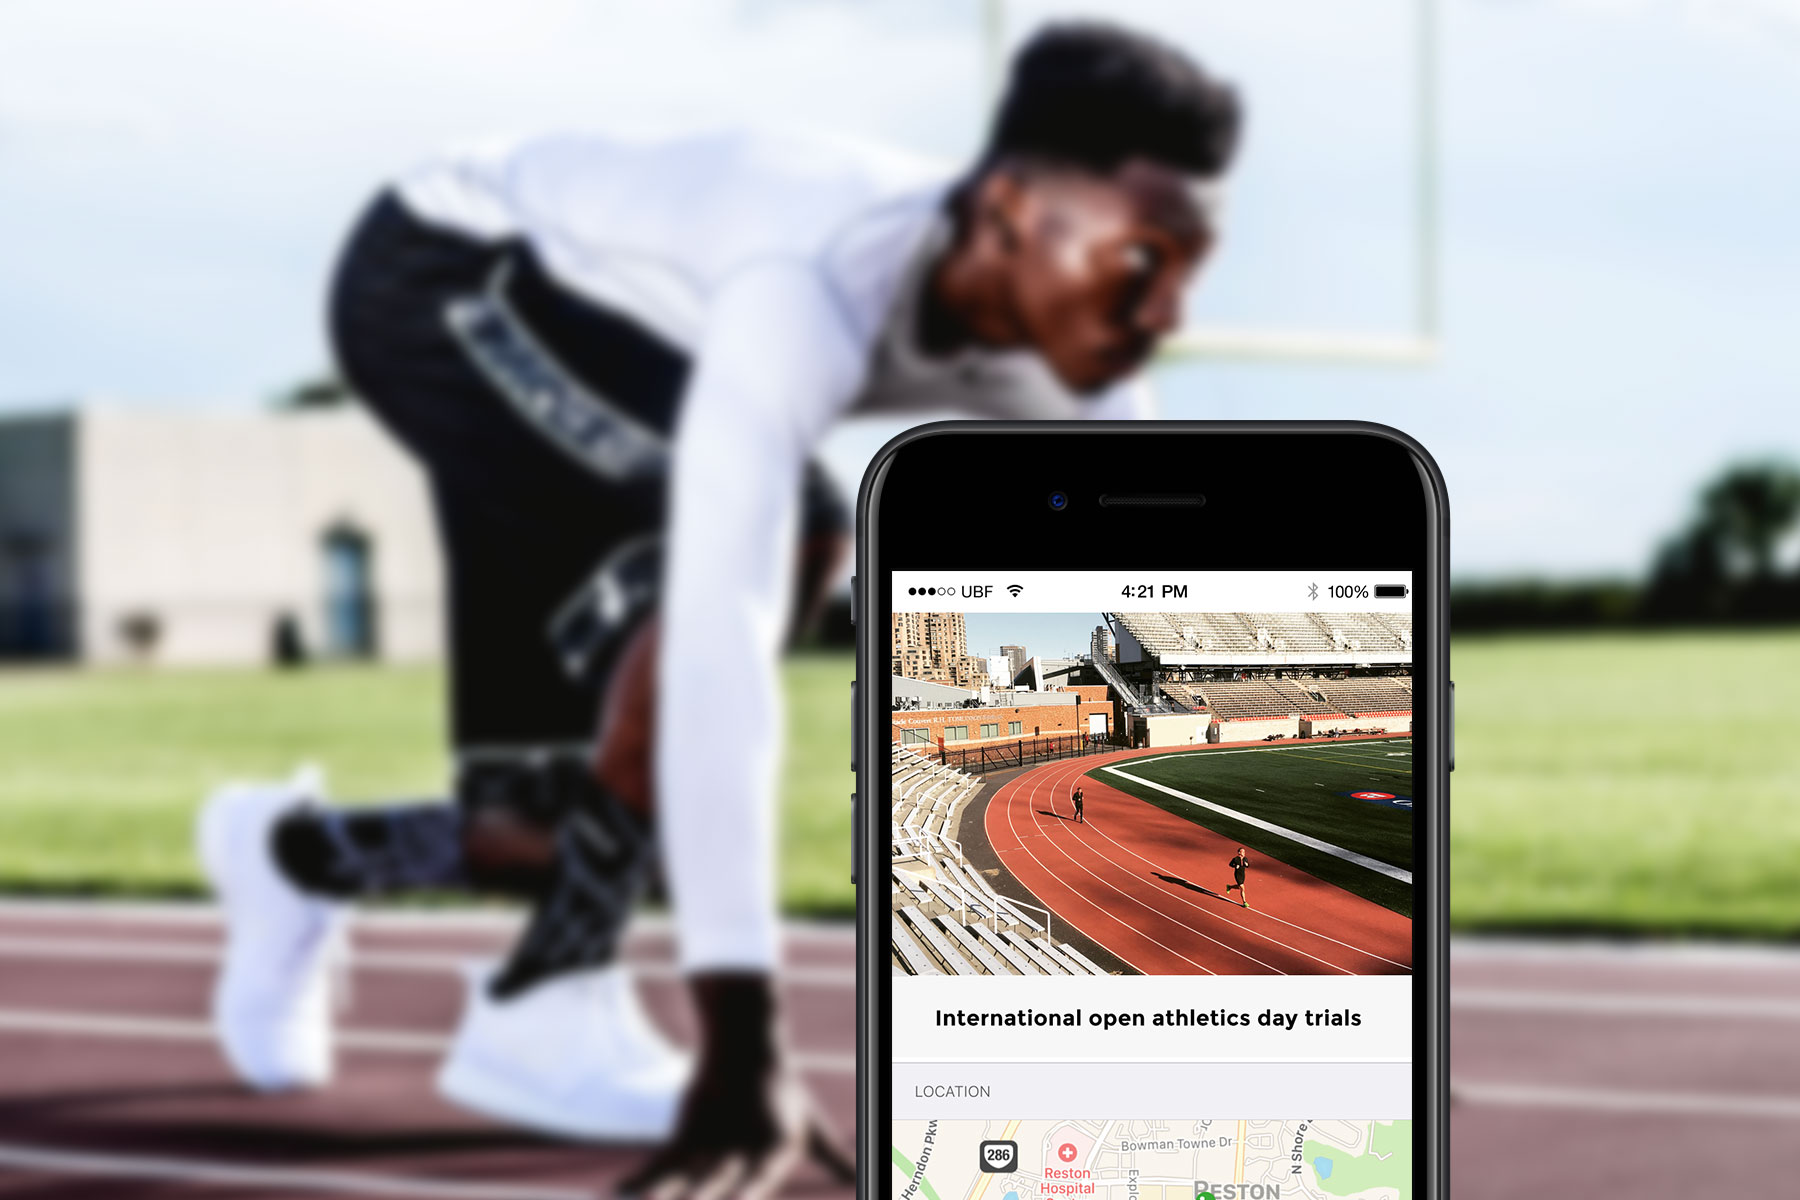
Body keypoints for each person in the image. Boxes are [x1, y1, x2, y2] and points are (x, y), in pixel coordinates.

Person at [198, 19, 1240, 1196]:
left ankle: (302, 855)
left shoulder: (1087, 368)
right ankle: (543, 1000)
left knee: (566, 820)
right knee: (783, 554)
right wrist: (744, 1045)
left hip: (634, 329)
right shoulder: (801, 287)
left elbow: (1160, 656)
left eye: (1195, 264)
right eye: (1143, 257)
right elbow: (719, 656)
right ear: (1005, 211)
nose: (1172, 311)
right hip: (446, 272)